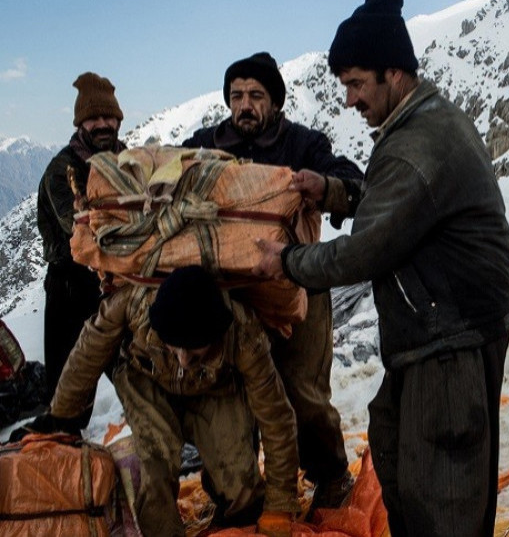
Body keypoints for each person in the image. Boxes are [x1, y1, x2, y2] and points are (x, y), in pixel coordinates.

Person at [251, 0, 509, 535]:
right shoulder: (419, 122)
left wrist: (288, 262)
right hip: (444, 325)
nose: (349, 99)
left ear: (393, 73)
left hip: (451, 337)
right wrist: (331, 191)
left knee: (442, 487)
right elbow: (401, 207)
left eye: (355, 84)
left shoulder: (415, 144)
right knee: (395, 441)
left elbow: (363, 252)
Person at [182, 51, 363, 508]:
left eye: (256, 95)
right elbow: (167, 178)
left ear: (275, 102)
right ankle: (238, 492)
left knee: (302, 392)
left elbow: (352, 182)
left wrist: (324, 186)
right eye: (237, 95)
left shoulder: (303, 143)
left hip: (297, 288)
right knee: (230, 396)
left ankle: (330, 474)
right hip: (229, 297)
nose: (245, 104)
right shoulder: (203, 145)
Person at [28, 266, 300, 537]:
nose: (183, 358)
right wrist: (61, 416)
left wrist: (279, 506)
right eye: (174, 345)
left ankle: (238, 521)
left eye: (194, 348)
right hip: (147, 382)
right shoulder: (131, 304)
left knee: (239, 480)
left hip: (215, 389)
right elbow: (86, 356)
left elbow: (277, 419)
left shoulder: (244, 335)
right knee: (156, 464)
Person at [36, 72, 127, 410]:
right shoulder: (63, 170)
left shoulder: (130, 161)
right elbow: (79, 228)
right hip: (71, 287)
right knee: (67, 390)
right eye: (93, 118)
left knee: (133, 375)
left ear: (118, 119)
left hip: (118, 281)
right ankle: (63, 452)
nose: (102, 124)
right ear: (80, 124)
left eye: (108, 116)